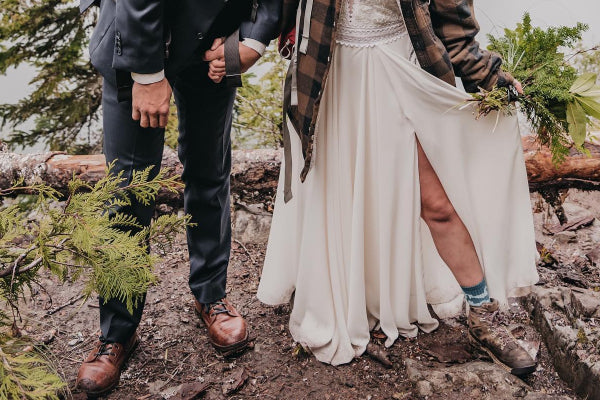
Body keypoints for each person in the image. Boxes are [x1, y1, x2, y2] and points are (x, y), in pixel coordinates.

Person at [253, 0, 540, 374]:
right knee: (338, 194)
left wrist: (487, 76)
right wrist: (250, 40)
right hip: (332, 74)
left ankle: (484, 316)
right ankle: (349, 299)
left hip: (401, 71)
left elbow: (454, 21)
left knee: (437, 202)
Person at [75, 0, 281, 395]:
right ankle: (117, 331)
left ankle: (211, 295)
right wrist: (148, 74)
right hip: (138, 42)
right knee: (127, 189)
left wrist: (253, 38)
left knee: (209, 170)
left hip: (216, 40)